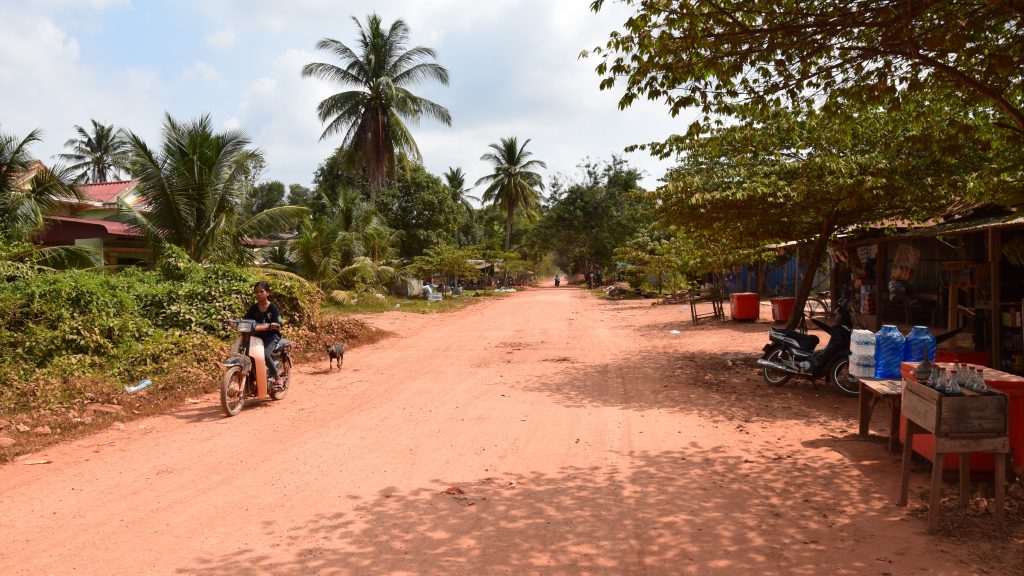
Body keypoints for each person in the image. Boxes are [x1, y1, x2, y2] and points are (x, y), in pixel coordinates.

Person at [244, 280, 283, 390]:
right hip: (257, 337)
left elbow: (279, 322)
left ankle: (277, 377)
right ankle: (252, 380)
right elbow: (246, 319)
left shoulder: (273, 307)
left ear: (268, 293)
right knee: (247, 355)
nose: (259, 294)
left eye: (261, 291)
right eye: (256, 292)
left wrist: (275, 324)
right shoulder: (254, 308)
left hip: (272, 336)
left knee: (264, 355)